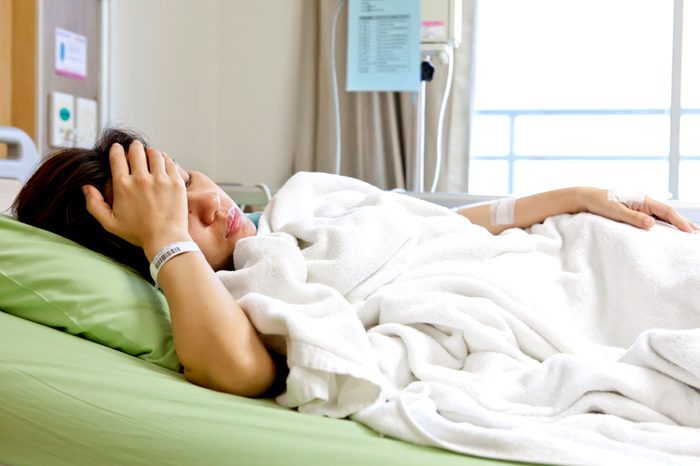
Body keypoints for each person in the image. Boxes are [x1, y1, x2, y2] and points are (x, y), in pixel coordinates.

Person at [12, 128, 698, 398]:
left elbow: (429, 227)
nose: (210, 199)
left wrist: (572, 197)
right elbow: (240, 371)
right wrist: (168, 240)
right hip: (562, 300)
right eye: (177, 210)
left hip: (568, 251)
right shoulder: (238, 291)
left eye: (191, 178)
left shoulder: (296, 211)